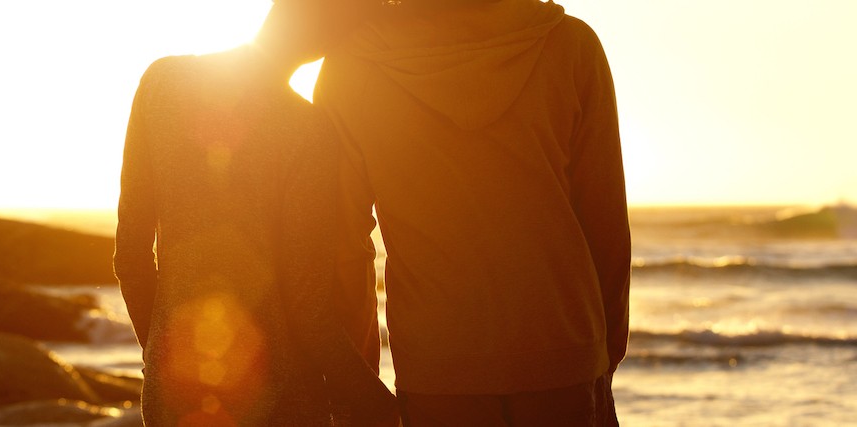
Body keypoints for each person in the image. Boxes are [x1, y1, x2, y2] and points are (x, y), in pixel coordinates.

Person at [314, 0, 631, 425]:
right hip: (565, 359)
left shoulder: (351, 66)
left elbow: (343, 247)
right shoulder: (569, 45)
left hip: (437, 372)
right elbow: (605, 221)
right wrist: (604, 353)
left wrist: (361, 383)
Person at [114, 0, 399, 425]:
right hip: (281, 400)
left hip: (174, 398)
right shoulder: (307, 130)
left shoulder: (162, 82)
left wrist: (161, 357)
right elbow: (309, 309)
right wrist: (377, 402)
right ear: (334, 39)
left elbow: (130, 255)